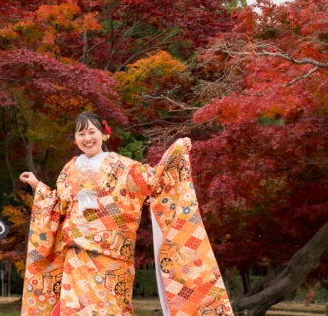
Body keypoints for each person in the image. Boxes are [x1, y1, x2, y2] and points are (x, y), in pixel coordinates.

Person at [18, 112, 233, 316]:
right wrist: (37, 185)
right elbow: (59, 205)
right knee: (75, 308)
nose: (87, 138)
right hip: (78, 254)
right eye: (81, 134)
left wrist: (177, 151)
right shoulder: (70, 169)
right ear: (75, 139)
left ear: (104, 134)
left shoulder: (122, 165)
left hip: (113, 255)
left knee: (111, 309)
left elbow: (152, 179)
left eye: (92, 132)